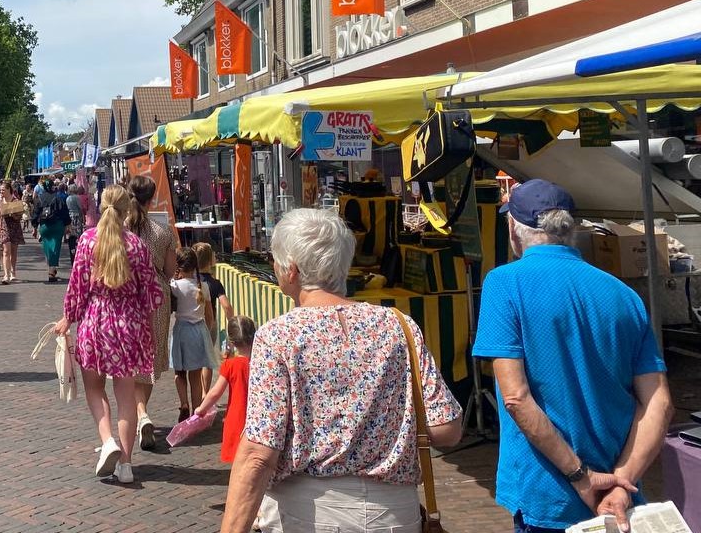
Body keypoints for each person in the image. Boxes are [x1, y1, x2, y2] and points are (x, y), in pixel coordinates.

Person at [221, 208, 463, 533]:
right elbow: (446, 428)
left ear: (291, 270)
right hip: (394, 513)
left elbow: (258, 454)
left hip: (310, 513)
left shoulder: (279, 336)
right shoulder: (399, 326)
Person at [473, 179, 672, 533]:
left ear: (513, 228)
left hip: (547, 492)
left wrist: (582, 477)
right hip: (617, 492)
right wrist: (623, 481)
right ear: (570, 228)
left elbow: (516, 398)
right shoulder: (623, 294)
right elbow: (659, 402)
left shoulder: (504, 283)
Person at [55, 185, 163, 483]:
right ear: (128, 210)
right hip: (129, 325)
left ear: (101, 207)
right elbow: (151, 295)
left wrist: (68, 318)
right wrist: (149, 331)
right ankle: (126, 465)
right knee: (126, 396)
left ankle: (107, 441)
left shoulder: (88, 241)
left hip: (95, 322)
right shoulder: (137, 246)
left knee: (94, 388)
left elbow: (77, 287)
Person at [126, 175, 177, 450]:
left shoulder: (120, 229)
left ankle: (141, 414)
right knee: (150, 359)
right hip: (156, 296)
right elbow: (170, 271)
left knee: (131, 360)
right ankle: (142, 412)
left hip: (127, 295)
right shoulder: (162, 232)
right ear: (152, 198)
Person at [194, 315, 257, 464]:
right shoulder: (260, 361)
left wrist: (202, 409)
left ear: (231, 341)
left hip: (237, 416)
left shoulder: (230, 365)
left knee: (238, 457)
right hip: (256, 415)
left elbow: (216, 392)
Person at [169, 246, 215, 423]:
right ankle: (197, 411)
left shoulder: (175, 286)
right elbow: (209, 316)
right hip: (198, 330)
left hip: (182, 330)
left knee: (179, 372)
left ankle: (184, 403)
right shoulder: (203, 286)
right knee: (195, 376)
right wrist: (205, 333)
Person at [194, 242, 233, 390]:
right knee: (207, 360)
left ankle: (197, 392)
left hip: (192, 322)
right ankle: (205, 392)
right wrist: (231, 321)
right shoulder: (215, 283)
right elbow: (226, 305)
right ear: (211, 261)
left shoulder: (191, 281)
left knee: (196, 360)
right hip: (210, 324)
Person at [31, 179, 70, 282]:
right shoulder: (58, 198)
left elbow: (35, 213)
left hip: (44, 226)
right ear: (53, 186)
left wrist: (34, 227)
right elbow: (65, 212)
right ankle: (51, 270)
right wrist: (67, 225)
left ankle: (51, 267)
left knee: (47, 247)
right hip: (57, 225)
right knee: (55, 247)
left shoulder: (40, 198)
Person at [0, 181, 25, 284]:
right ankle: (6, 275)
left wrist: (13, 214)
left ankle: (13, 272)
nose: (1, 192)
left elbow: (19, 216)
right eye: (0, 190)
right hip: (4, 228)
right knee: (6, 251)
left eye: (3, 190)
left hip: (15, 227)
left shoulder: (15, 200)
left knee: (13, 251)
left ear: (9, 190)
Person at [64, 184, 85, 264]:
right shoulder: (77, 197)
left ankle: (72, 244)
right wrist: (83, 216)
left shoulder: (68, 198)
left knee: (71, 231)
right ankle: (77, 244)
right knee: (78, 231)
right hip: (77, 215)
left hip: (70, 215)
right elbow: (80, 207)